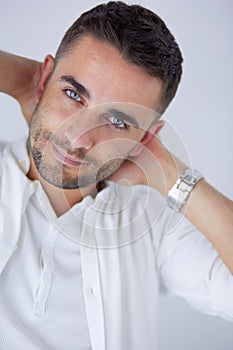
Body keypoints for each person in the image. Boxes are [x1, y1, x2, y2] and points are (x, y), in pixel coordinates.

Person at [0, 1, 232, 349]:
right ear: (45, 78)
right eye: (73, 94)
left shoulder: (148, 225)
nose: (78, 138)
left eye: (118, 122)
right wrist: (23, 80)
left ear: (146, 137)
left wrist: (169, 173)